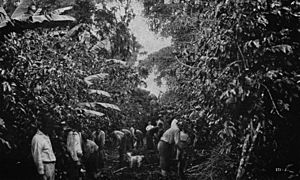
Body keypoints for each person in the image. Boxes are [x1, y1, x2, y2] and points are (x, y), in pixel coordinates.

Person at [31, 113, 56, 180]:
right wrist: (41, 171)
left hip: (51, 165)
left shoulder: (46, 137)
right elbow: (37, 156)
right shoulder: (37, 138)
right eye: (48, 125)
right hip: (45, 165)